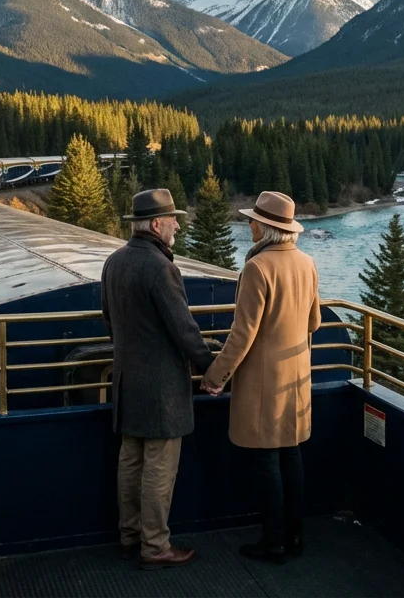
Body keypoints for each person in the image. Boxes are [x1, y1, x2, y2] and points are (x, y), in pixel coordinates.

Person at [201, 191, 321, 563]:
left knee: (267, 460)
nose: (248, 224)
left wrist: (215, 376)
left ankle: (274, 542)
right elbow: (314, 322)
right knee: (291, 456)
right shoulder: (307, 263)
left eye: (253, 220)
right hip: (296, 377)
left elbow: (243, 334)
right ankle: (295, 537)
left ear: (267, 228)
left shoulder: (257, 267)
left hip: (264, 383)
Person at [101, 188, 215, 571]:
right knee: (159, 468)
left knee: (130, 460)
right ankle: (156, 547)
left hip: (126, 379)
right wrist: (211, 367)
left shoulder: (114, 262)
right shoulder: (161, 268)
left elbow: (109, 320)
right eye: (173, 219)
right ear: (155, 225)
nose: (178, 225)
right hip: (162, 389)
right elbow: (184, 329)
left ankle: (130, 536)